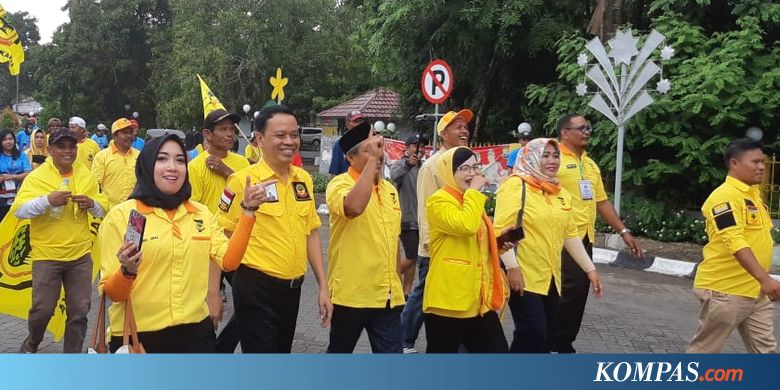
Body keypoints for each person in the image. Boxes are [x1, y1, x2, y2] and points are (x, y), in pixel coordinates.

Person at [97, 134, 266, 353]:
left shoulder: (201, 213)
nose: (173, 167)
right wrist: (127, 270)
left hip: (196, 334)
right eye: (162, 159)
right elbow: (113, 294)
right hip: (138, 337)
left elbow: (229, 261)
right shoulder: (122, 216)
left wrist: (248, 212)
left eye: (179, 160)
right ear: (147, 165)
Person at [217, 105, 331, 353]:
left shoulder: (303, 179)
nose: (289, 141)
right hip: (255, 287)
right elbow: (222, 235)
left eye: (294, 134)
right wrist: (216, 291)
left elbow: (311, 232)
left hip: (292, 289)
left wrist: (323, 286)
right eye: (280, 135)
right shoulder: (242, 181)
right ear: (259, 139)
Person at [494, 138, 603, 353]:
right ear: (532, 157)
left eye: (555, 155)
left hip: (552, 278)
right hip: (523, 274)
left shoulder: (560, 192)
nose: (552, 160)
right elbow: (501, 231)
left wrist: (590, 269)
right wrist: (512, 268)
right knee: (532, 332)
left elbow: (569, 234)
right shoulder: (516, 185)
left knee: (545, 338)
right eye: (545, 155)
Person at [551, 113, 642, 354]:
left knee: (579, 292)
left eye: (588, 128)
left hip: (585, 238)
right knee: (565, 292)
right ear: (565, 132)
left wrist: (623, 231)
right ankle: (553, 341)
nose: (587, 132)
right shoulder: (553, 159)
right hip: (561, 239)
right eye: (581, 128)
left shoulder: (590, 165)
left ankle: (563, 342)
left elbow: (601, 202)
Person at [14, 128, 108, 353]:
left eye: (71, 146)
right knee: (43, 309)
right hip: (47, 255)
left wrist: (91, 204)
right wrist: (47, 200)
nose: (68, 151)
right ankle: (31, 343)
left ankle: (71, 361)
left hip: (80, 255)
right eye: (61, 146)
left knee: (79, 311)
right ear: (50, 150)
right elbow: (19, 210)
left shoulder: (84, 173)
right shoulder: (37, 177)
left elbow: (104, 206)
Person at [687, 138, 780, 353]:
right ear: (734, 163)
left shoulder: (752, 195)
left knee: (766, 351)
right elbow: (735, 242)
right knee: (705, 351)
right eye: (755, 162)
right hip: (726, 290)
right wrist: (764, 278)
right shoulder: (723, 198)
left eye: (763, 162)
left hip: (755, 291)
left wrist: (761, 281)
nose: (761, 167)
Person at [325, 123, 405, 353]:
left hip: (387, 297)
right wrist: (372, 161)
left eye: (379, 148)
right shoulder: (339, 184)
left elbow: (393, 241)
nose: (379, 155)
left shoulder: (389, 189)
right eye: (369, 150)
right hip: (352, 295)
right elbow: (354, 207)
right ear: (350, 157)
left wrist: (397, 284)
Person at [423, 146, 509, 353]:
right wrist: (473, 193)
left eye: (475, 167)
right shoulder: (439, 200)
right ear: (448, 173)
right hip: (448, 301)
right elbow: (465, 226)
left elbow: (475, 241)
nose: (471, 173)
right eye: (464, 168)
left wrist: (499, 243)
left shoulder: (469, 201)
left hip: (477, 300)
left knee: (498, 353)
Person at [400, 109, 471, 353]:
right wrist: (430, 245)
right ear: (443, 133)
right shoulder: (431, 166)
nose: (464, 131)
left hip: (462, 245)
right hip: (437, 248)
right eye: (457, 127)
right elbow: (426, 208)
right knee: (426, 294)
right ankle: (405, 338)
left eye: (465, 126)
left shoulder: (466, 163)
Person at [188, 109, 250, 353]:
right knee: (206, 307)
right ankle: (205, 350)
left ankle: (221, 350)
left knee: (249, 301)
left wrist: (227, 172)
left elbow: (253, 194)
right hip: (206, 246)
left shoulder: (241, 162)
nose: (230, 134)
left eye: (232, 130)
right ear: (207, 134)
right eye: (223, 129)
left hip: (237, 244)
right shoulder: (194, 167)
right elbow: (190, 210)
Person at [389, 135, 423, 298]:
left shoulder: (423, 167)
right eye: (416, 146)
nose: (420, 149)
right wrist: (408, 164)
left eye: (422, 146)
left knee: (413, 256)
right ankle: (387, 279)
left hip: (421, 221)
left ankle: (406, 291)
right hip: (407, 220)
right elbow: (394, 176)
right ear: (407, 148)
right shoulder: (401, 164)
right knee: (413, 256)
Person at [91, 118, 140, 210]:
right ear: (115, 136)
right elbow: (95, 185)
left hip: (134, 211)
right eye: (125, 133)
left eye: (131, 132)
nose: (129, 136)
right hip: (110, 212)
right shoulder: (102, 157)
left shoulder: (139, 156)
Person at [0, 130, 32, 221]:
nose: (8, 141)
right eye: (5, 139)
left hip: (19, 193)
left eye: (10, 139)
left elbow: (28, 173)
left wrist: (12, 177)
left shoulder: (22, 155)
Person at [329, 110, 364, 176]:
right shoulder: (340, 144)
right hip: (347, 183)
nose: (359, 124)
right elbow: (334, 172)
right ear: (347, 124)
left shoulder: (369, 143)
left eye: (361, 121)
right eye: (355, 121)